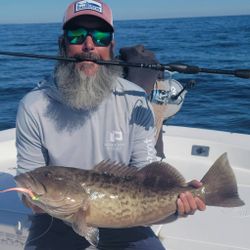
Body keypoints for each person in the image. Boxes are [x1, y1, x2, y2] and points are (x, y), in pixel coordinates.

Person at [15, 0, 206, 249]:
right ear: (62, 45)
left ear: (111, 47)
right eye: (76, 35)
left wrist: (178, 203)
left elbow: (146, 170)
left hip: (126, 221)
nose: (89, 45)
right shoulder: (34, 106)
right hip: (55, 218)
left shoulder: (135, 99)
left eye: (101, 37)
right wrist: (33, 200)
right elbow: (30, 183)